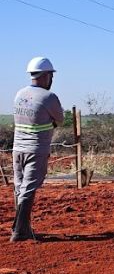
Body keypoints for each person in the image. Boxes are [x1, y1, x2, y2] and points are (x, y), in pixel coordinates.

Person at [10, 57, 64, 242]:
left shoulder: (19, 94)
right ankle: (19, 231)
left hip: (17, 148)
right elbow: (60, 120)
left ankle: (22, 228)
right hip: (36, 149)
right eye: (51, 76)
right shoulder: (49, 97)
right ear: (46, 75)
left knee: (19, 187)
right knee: (29, 188)